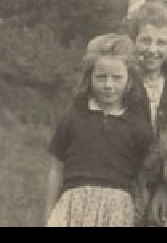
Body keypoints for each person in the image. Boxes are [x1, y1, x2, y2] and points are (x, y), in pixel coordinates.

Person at [44, 34, 155, 227]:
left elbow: (143, 175)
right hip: (73, 204)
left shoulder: (137, 125)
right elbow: (56, 169)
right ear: (90, 78)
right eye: (101, 77)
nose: (109, 85)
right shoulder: (73, 117)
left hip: (117, 209)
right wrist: (49, 213)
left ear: (129, 80)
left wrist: (140, 210)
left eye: (117, 78)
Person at [123, 0, 167, 134]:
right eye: (146, 41)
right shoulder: (124, 81)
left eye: (161, 43)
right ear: (133, 40)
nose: (152, 50)